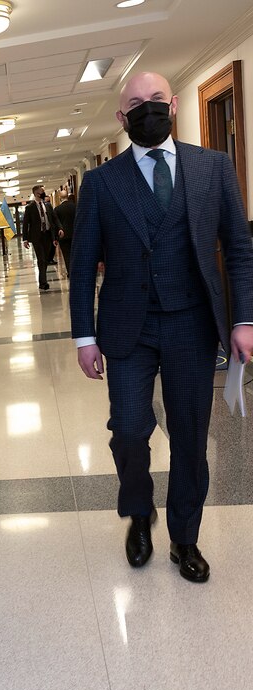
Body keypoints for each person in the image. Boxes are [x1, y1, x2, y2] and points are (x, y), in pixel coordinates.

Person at [70, 71, 253, 583]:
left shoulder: (213, 167)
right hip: (128, 328)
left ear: (172, 104)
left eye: (155, 99)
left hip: (193, 326)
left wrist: (244, 319)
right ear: (120, 117)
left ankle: (185, 537)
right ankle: (139, 513)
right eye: (135, 103)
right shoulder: (102, 183)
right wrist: (84, 336)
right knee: (128, 430)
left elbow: (238, 248)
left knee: (191, 435)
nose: (146, 109)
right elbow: (83, 266)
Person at [21, 184, 64, 289]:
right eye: (42, 191)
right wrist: (25, 239)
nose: (44, 193)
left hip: (48, 235)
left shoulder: (48, 205)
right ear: (36, 193)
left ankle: (43, 280)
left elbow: (54, 218)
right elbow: (25, 223)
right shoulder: (29, 208)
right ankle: (43, 283)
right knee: (41, 259)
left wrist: (60, 228)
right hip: (37, 237)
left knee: (46, 259)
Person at [54, 192, 77, 275]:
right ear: (67, 196)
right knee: (76, 254)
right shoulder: (75, 206)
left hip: (64, 236)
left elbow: (56, 224)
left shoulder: (57, 209)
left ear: (60, 198)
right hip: (76, 234)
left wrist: (55, 238)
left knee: (67, 255)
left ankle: (71, 272)